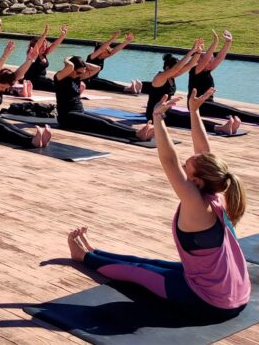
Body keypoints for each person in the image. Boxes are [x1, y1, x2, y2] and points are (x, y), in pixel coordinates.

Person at [66, 88, 250, 322]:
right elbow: (204, 153)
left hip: (209, 302)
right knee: (153, 263)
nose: (182, 170)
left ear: (195, 181)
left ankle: (85, 258)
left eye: (187, 168)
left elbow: (169, 160)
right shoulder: (216, 191)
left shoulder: (195, 203)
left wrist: (158, 118)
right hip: (234, 293)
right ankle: (95, 252)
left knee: (138, 272)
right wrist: (194, 112)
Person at [146, 42, 240, 135]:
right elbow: (175, 69)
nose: (179, 72)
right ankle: (220, 128)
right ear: (167, 68)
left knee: (190, 116)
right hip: (154, 114)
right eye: (177, 69)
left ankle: (223, 126)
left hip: (165, 110)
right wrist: (191, 51)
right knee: (186, 120)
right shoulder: (159, 78)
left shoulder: (171, 78)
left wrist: (198, 52)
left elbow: (189, 65)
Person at [53, 56, 154, 142]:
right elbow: (70, 66)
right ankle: (136, 134)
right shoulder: (60, 77)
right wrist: (68, 59)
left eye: (81, 73)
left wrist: (83, 64)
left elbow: (97, 68)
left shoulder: (76, 77)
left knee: (108, 120)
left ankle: (138, 131)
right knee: (102, 124)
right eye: (78, 72)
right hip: (67, 116)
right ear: (72, 68)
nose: (80, 75)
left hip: (80, 111)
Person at [188, 30, 259, 122]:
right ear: (199, 60)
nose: (211, 60)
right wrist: (215, 42)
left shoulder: (208, 70)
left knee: (233, 110)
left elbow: (219, 58)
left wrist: (228, 42)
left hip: (207, 104)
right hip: (198, 105)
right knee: (231, 112)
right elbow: (206, 59)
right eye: (208, 59)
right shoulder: (195, 70)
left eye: (211, 59)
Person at [23, 24, 67, 92]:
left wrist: (62, 36)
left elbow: (54, 45)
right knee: (54, 86)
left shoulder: (44, 54)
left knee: (58, 84)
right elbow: (38, 44)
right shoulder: (33, 54)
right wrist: (44, 34)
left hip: (42, 79)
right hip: (32, 80)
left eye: (45, 46)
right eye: (42, 46)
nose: (45, 47)